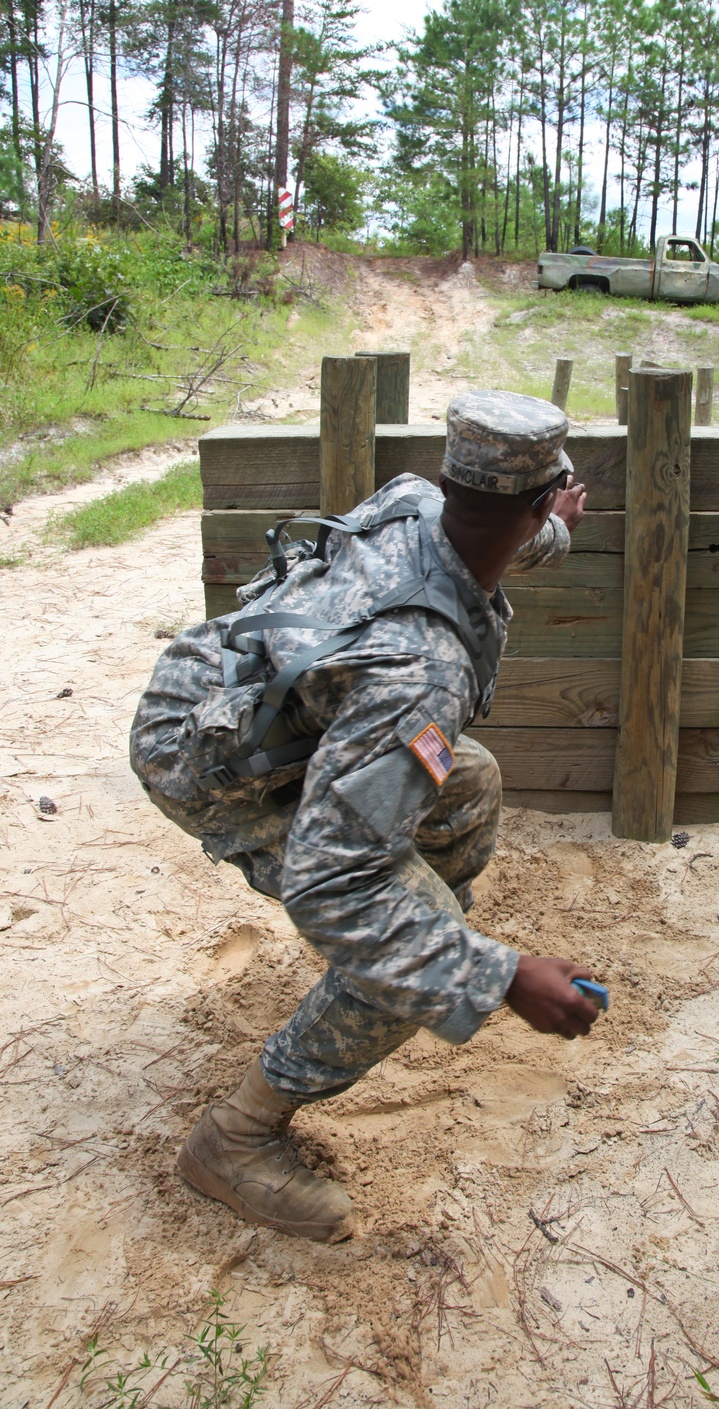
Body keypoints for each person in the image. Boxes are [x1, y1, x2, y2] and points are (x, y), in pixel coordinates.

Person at [130, 389, 602, 1244]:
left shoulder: (415, 497)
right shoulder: (420, 672)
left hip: (231, 693)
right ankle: (233, 1140)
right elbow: (331, 885)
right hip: (211, 762)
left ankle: (410, 923)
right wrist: (494, 975)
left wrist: (551, 522)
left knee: (469, 782)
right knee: (407, 950)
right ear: (536, 501)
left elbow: (500, 539)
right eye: (552, 500)